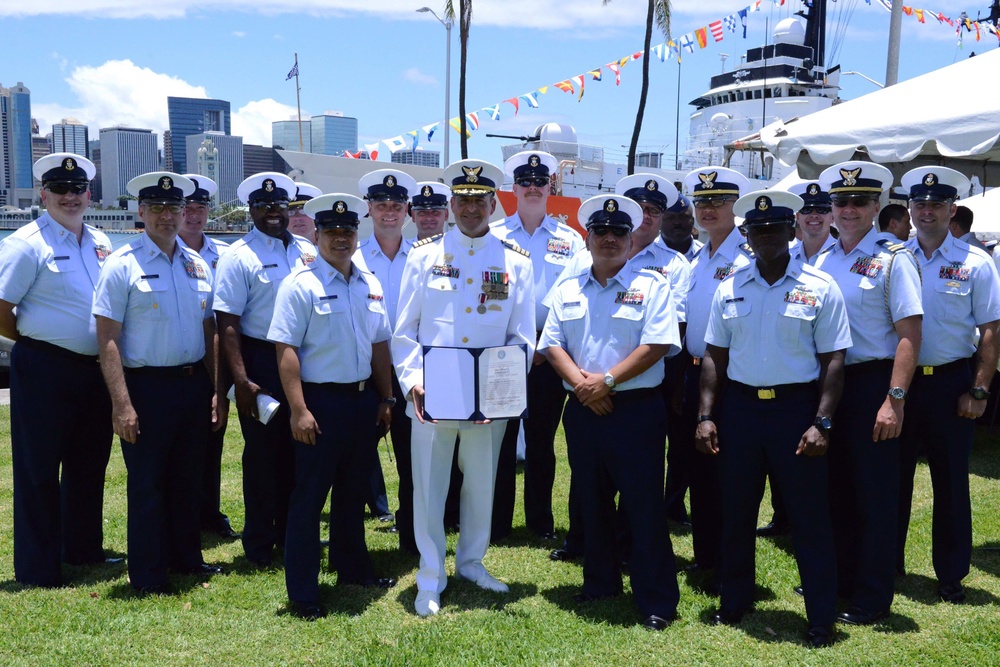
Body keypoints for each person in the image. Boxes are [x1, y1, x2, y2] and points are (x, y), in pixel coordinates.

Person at [696, 190, 851, 648]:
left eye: (775, 229)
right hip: (741, 411)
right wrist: (706, 416)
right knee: (737, 511)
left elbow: (834, 361)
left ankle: (821, 616)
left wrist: (822, 422)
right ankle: (735, 600)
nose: (767, 238)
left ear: (793, 231)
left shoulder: (820, 287)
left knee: (808, 517)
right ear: (746, 236)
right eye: (758, 231)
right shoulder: (731, 286)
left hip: (795, 411)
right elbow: (713, 356)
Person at [392, 159, 534, 617]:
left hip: (487, 397)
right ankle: (430, 575)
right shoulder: (423, 256)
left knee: (482, 484)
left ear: (494, 204)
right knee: (429, 487)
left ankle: (472, 561)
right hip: (433, 395)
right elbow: (405, 330)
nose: (471, 208)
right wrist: (413, 382)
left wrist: (504, 389)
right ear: (451, 204)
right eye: (463, 201)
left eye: (480, 201)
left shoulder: (515, 262)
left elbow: (521, 336)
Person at [538, 194, 681, 631]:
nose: (609, 239)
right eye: (600, 231)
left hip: (634, 410)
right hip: (582, 408)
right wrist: (584, 386)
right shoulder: (567, 287)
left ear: (630, 237)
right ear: (587, 236)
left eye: (618, 232)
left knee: (643, 506)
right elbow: (551, 343)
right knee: (591, 501)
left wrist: (608, 381)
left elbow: (657, 344)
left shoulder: (653, 285)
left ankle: (656, 597)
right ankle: (600, 582)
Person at [268, 193, 398, 621]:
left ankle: (352, 569)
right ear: (318, 235)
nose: (340, 239)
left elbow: (380, 345)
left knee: (352, 492)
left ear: (356, 235)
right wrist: (298, 409)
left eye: (347, 232)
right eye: (332, 232)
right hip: (319, 403)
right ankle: (303, 591)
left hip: (361, 401)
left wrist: (385, 397)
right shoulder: (300, 285)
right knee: (308, 499)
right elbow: (286, 350)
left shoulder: (369, 282)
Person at [93, 171, 223, 594]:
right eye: (158, 208)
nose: (167, 216)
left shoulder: (197, 263)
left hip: (191, 385)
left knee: (188, 478)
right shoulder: (122, 264)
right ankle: (148, 574)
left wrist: (216, 390)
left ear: (185, 212)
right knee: (147, 484)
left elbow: (209, 330)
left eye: (175, 208)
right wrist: (121, 404)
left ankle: (187, 559)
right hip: (145, 388)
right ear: (142, 212)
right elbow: (108, 339)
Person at [813, 160, 923, 626]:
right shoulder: (822, 259)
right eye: (841, 201)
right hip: (830, 385)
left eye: (860, 201)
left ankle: (873, 595)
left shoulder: (895, 258)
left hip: (873, 384)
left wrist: (893, 400)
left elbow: (909, 334)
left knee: (874, 495)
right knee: (834, 488)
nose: (849, 209)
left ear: (877, 206)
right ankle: (841, 580)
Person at [0, 153, 116, 587]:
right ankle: (37, 566)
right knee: (38, 470)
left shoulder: (101, 241)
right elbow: (1, 309)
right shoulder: (25, 243)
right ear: (44, 194)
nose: (70, 197)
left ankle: (83, 551)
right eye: (60, 190)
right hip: (44, 367)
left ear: (88, 194)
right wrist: (35, 338)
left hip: (94, 369)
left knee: (89, 464)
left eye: (78, 190)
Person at [897, 167, 1000, 603]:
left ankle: (952, 574)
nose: (926, 211)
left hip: (949, 383)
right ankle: (887, 562)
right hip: (898, 385)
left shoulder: (975, 262)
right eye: (919, 204)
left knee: (952, 482)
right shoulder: (891, 258)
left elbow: (991, 331)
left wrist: (978, 390)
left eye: (936, 205)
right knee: (891, 479)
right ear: (909, 209)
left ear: (952, 209)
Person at [213, 171, 318, 567]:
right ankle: (258, 543)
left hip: (303, 361)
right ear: (251, 210)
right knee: (262, 458)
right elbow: (227, 323)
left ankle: (293, 535)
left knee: (301, 453)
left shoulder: (308, 250)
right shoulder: (238, 256)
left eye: (279, 206)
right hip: (260, 362)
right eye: (263, 207)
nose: (273, 213)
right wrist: (241, 381)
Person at [490, 151, 584, 543]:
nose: (532, 188)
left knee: (543, 442)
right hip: (503, 354)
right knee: (501, 440)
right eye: (525, 182)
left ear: (550, 187)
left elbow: (574, 295)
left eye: (540, 182)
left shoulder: (571, 239)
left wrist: (547, 347)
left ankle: (540, 522)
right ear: (514, 188)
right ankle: (497, 523)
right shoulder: (494, 236)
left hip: (549, 356)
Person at [678, 166, 753, 588]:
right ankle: (706, 556)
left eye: (718, 202)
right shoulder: (697, 257)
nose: (707, 210)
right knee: (699, 471)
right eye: (701, 202)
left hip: (728, 377)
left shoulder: (746, 257)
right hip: (693, 375)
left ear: (735, 207)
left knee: (728, 474)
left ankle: (728, 560)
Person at [353, 168, 421, 551]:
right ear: (369, 209)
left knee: (414, 463)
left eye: (397, 205)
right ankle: (353, 545)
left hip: (412, 374)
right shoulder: (355, 257)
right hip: (366, 371)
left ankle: (412, 540)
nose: (389, 212)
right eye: (382, 205)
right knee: (358, 459)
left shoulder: (426, 259)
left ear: (407, 210)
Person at [179, 174, 238, 540]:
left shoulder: (226, 256)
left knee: (213, 438)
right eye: (187, 208)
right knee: (179, 444)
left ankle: (209, 512)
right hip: (178, 360)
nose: (193, 215)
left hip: (216, 362)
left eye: (200, 208)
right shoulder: (165, 251)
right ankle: (183, 514)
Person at [659, 194, 702, 261]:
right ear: (660, 222)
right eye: (670, 217)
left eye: (683, 217)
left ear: (693, 221)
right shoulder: (645, 253)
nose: (677, 222)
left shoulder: (707, 254)